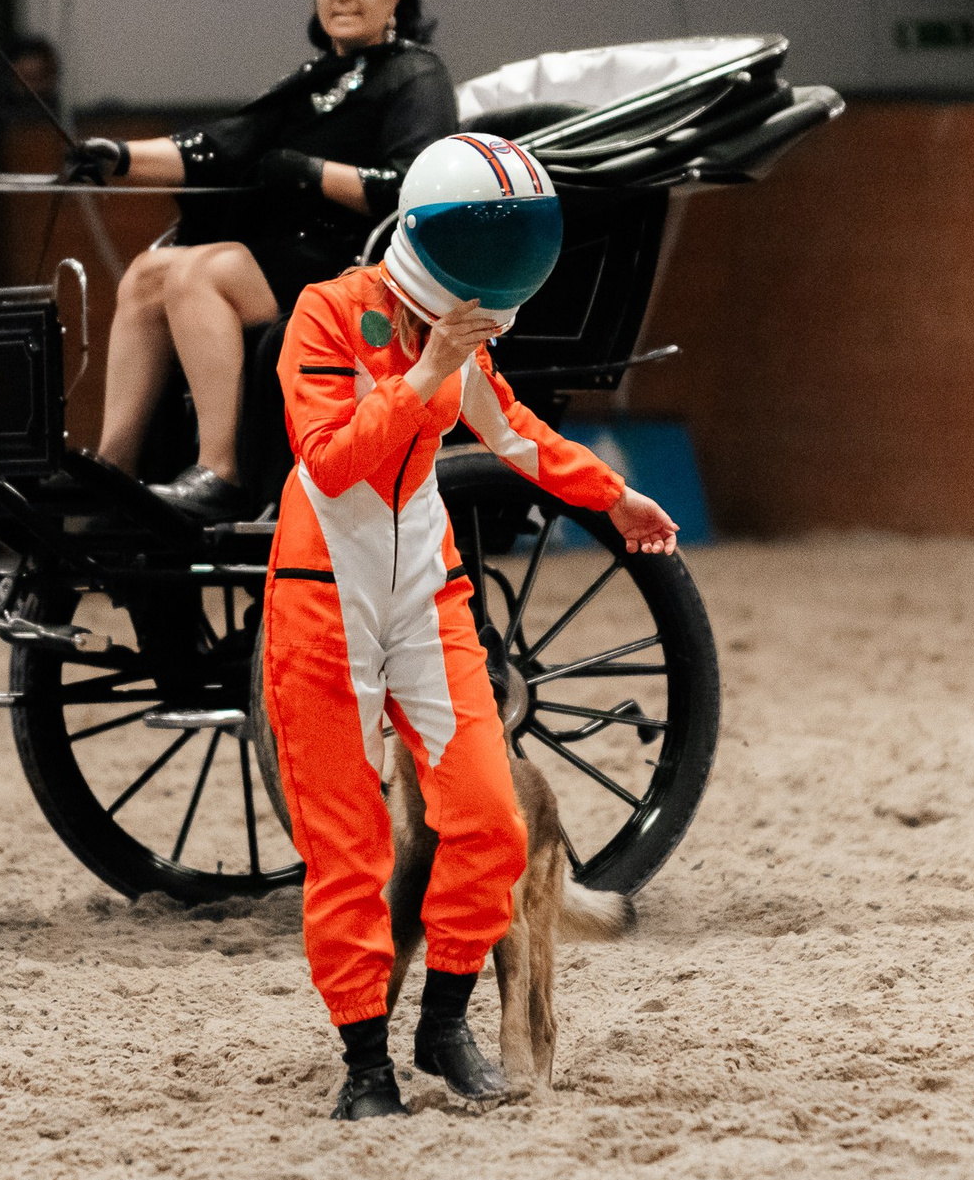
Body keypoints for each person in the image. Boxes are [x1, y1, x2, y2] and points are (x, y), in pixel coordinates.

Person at [260, 132, 681, 1120]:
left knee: (491, 818)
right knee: (349, 847)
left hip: (425, 593)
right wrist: (423, 374)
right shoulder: (330, 314)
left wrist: (612, 495)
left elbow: (513, 432)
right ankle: (366, 1063)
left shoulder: (465, 337)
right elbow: (328, 462)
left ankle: (443, 1019)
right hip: (322, 598)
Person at [64, 0, 456, 523]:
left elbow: (415, 187)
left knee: (198, 273)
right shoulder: (304, 84)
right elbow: (217, 147)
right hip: (283, 260)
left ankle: (220, 472)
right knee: (147, 273)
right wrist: (118, 156)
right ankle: (114, 469)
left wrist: (311, 173)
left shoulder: (417, 74)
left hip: (361, 268)